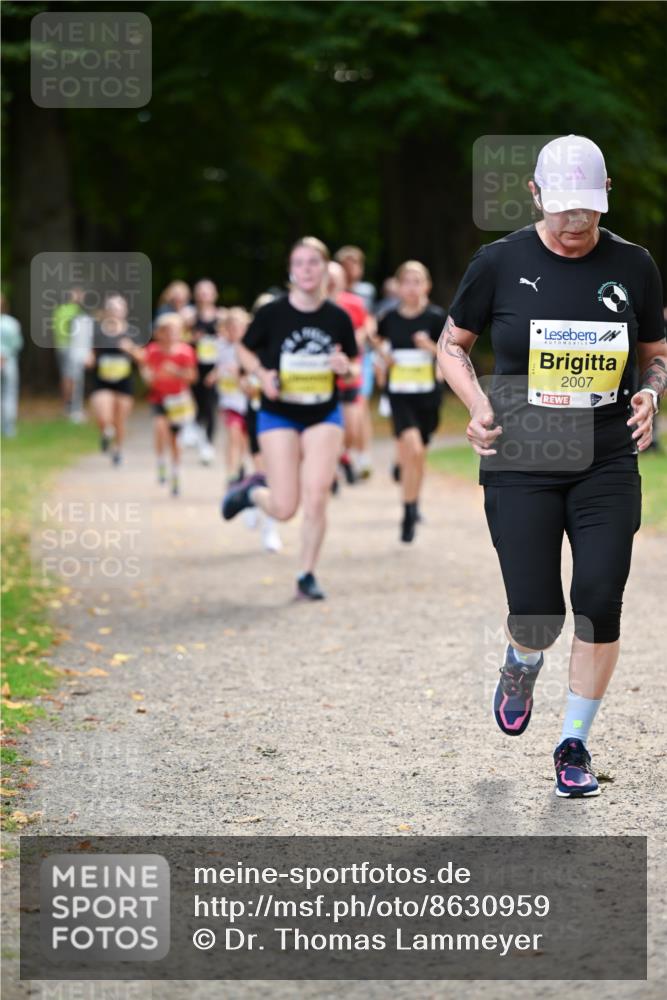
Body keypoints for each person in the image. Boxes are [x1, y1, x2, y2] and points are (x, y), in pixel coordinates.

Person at [439, 134, 666, 798]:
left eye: (588, 214)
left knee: (599, 598)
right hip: (520, 460)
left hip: (605, 458)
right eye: (563, 211)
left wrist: (650, 390)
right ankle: (520, 659)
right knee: (536, 612)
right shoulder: (498, 261)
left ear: (604, 202)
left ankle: (573, 743)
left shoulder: (634, 265)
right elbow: (452, 346)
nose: (574, 228)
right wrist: (476, 403)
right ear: (535, 196)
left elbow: (654, 347)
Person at [222, 237, 359, 599]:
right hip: (279, 412)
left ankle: (306, 574)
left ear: (326, 270)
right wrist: (262, 375)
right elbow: (243, 349)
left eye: (314, 262)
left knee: (316, 496)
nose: (307, 270)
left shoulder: (338, 317)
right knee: (284, 508)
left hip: (323, 413)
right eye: (299, 263)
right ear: (290, 272)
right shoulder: (272, 314)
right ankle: (253, 492)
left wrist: (344, 367)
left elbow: (353, 365)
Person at [378, 261, 445, 542]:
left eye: (417, 281)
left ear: (426, 286)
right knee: (413, 449)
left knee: (418, 456)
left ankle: (413, 503)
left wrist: (430, 347)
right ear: (398, 286)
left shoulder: (436, 318)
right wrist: (384, 358)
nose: (412, 287)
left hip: (428, 397)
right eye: (406, 281)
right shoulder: (389, 318)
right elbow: (378, 347)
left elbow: (451, 354)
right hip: (400, 396)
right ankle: (407, 513)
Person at [140, 312, 197, 496]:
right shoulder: (153, 351)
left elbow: (192, 377)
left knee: (175, 440)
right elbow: (146, 372)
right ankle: (160, 463)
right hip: (159, 398)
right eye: (168, 331)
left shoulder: (186, 352)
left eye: (175, 331)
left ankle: (176, 473)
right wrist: (149, 376)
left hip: (178, 400)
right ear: (161, 333)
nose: (172, 334)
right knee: (159, 428)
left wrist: (176, 372)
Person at [327, 261, 372, 483]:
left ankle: (343, 455)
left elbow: (367, 326)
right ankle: (332, 470)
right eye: (328, 276)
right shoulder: (315, 305)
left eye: (336, 277)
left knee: (352, 429)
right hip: (323, 380)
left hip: (350, 374)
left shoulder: (353, 303)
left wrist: (357, 338)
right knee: (328, 428)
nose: (332, 281)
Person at [86, 294, 143, 465]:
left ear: (124, 311)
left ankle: (118, 450)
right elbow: (89, 351)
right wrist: (89, 358)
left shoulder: (132, 332)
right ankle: (106, 433)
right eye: (112, 308)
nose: (115, 312)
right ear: (106, 311)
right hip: (101, 380)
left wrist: (130, 349)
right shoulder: (97, 331)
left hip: (124, 381)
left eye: (119, 308)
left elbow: (142, 357)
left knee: (120, 419)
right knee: (104, 416)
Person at [184, 279, 224, 465]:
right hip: (194, 367)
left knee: (210, 405)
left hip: (214, 368)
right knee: (196, 404)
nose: (203, 295)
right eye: (200, 292)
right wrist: (193, 338)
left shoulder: (222, 316)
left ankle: (208, 444)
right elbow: (179, 340)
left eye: (207, 292)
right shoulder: (189, 317)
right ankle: (196, 432)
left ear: (214, 294)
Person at [212, 307, 252, 485]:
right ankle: (231, 474)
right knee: (233, 434)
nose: (235, 331)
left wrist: (239, 375)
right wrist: (215, 374)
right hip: (229, 400)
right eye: (231, 327)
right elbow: (217, 365)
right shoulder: (220, 346)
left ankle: (241, 464)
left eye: (239, 327)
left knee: (243, 438)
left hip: (248, 399)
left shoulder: (251, 348)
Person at [52, 287, 87, 421]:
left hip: (60, 346)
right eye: (80, 294)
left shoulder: (59, 310)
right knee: (72, 377)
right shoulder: (76, 311)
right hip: (71, 347)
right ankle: (72, 408)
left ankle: (66, 406)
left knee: (66, 376)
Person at [0, 295, 23, 437]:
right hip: (9, 362)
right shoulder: (12, 323)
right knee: (9, 395)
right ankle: (9, 429)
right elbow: (17, 344)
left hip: (7, 361)